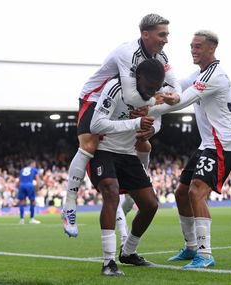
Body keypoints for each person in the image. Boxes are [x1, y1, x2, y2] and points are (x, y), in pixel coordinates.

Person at [62, 13, 181, 238]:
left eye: (167, 34)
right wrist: (160, 99)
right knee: (89, 144)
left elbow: (176, 88)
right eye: (162, 34)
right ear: (145, 35)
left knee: (143, 144)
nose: (166, 39)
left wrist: (175, 97)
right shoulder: (128, 53)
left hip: (125, 103)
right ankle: (69, 205)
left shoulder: (161, 57)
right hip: (97, 96)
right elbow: (131, 96)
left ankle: (133, 193)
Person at [147, 30, 231, 268]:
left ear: (212, 49)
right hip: (207, 144)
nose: (193, 50)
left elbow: (184, 99)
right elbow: (178, 88)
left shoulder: (214, 76)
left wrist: (150, 108)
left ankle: (205, 253)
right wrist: (156, 93)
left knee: (196, 192)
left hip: (222, 144)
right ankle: (191, 248)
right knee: (181, 193)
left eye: (198, 46)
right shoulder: (201, 73)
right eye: (191, 46)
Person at [88, 58, 166, 276]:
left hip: (128, 153)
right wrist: (134, 123)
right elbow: (96, 124)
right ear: (138, 78)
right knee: (111, 194)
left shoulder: (153, 95)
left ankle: (128, 251)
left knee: (150, 205)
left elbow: (156, 121)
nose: (153, 91)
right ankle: (108, 262)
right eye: (150, 86)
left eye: (156, 87)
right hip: (104, 150)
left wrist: (150, 130)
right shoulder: (116, 87)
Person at [17, 159, 41, 224]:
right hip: (29, 185)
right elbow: (37, 179)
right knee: (32, 201)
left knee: (22, 202)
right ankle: (32, 219)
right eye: (34, 164)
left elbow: (19, 180)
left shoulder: (22, 170)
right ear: (31, 164)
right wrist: (38, 188)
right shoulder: (34, 170)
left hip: (22, 185)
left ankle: (21, 219)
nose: (35, 166)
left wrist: (19, 187)